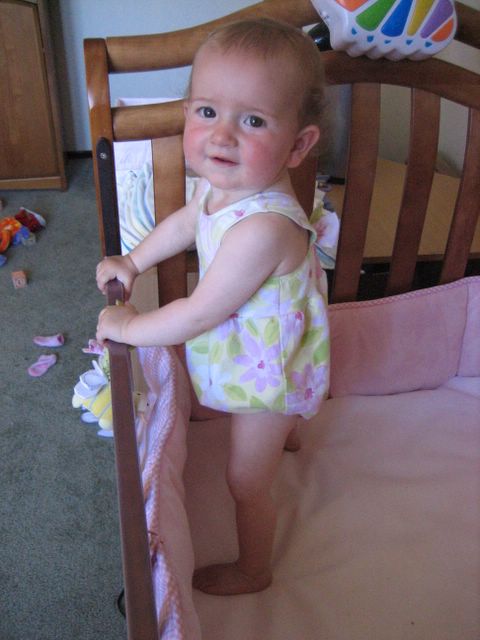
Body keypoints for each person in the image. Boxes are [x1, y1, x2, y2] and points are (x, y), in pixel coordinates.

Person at [96, 18, 330, 596]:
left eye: (253, 121)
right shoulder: (220, 187)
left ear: (299, 145)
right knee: (260, 434)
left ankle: (254, 570)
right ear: (187, 113)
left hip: (271, 378)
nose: (222, 136)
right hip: (263, 346)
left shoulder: (263, 229)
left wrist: (130, 326)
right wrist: (133, 261)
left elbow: (201, 312)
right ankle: (287, 433)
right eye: (207, 112)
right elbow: (185, 223)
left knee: (245, 481)